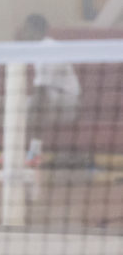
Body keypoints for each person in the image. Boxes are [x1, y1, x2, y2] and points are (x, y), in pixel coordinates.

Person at [17, 13, 81, 163]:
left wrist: (30, 105)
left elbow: (41, 90)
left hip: (69, 103)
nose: (24, 33)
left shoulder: (50, 48)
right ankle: (12, 152)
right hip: (51, 99)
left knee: (38, 101)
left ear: (39, 31)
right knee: (7, 105)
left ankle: (34, 152)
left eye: (28, 29)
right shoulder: (33, 50)